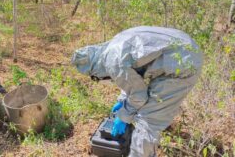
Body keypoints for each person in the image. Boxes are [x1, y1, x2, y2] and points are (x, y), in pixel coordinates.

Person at [71, 26, 203, 157]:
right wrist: (122, 100)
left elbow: (139, 96)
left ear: (96, 73)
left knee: (146, 121)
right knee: (149, 109)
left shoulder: (113, 62)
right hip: (185, 48)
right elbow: (133, 76)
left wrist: (123, 116)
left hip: (181, 65)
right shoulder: (113, 47)